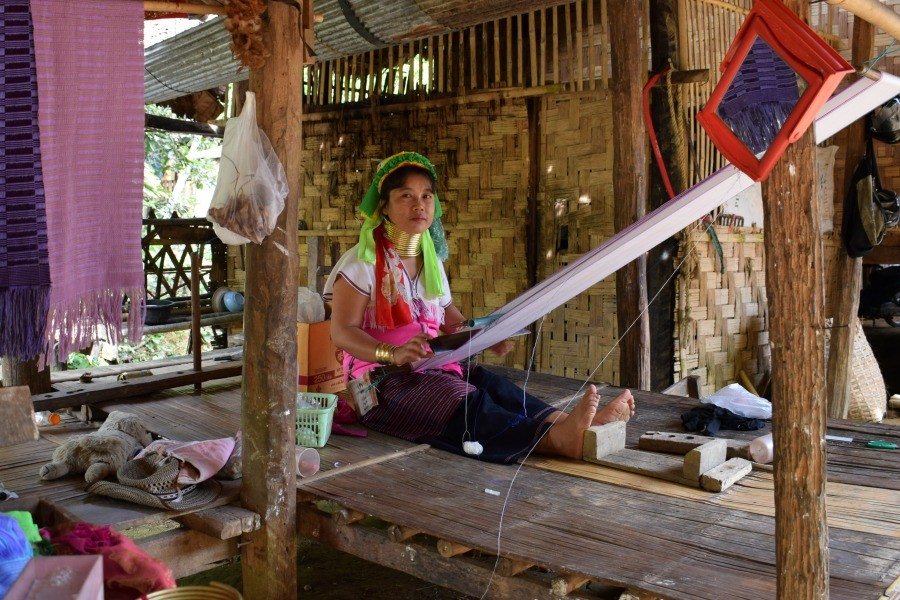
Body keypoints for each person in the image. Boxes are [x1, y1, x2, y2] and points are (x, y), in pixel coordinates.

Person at [324, 152, 634, 464]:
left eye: (426, 196)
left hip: (433, 367)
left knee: (493, 385)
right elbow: (342, 332)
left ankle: (577, 427)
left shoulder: (430, 261)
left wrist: (485, 334)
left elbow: (448, 317)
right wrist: (392, 353)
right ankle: (560, 440)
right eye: (406, 195)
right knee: (464, 402)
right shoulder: (360, 263)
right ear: (384, 206)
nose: (419, 205)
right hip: (382, 382)